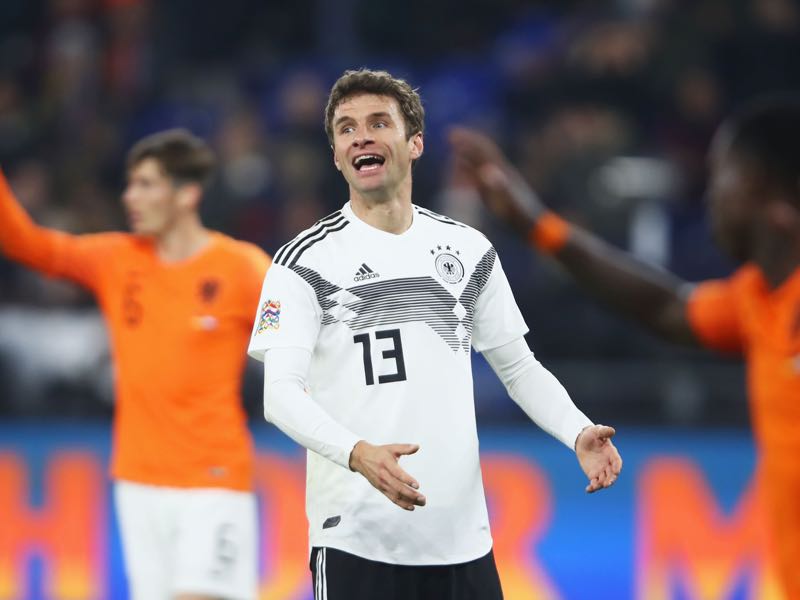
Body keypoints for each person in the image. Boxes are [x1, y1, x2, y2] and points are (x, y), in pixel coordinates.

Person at [246, 68, 622, 600]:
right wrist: (357, 452)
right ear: (336, 155)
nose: (363, 137)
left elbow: (517, 367)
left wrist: (576, 429)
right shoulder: (304, 262)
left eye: (379, 122)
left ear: (414, 142)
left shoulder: (466, 250)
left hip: (463, 543)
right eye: (347, 129)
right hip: (358, 539)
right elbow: (279, 395)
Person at [448, 94, 800, 599]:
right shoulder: (757, 301)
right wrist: (537, 226)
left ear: (776, 199)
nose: (711, 197)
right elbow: (667, 308)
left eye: (726, 177)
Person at [0, 129, 271, 600]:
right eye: (129, 184)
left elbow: (307, 343)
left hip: (214, 479)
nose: (131, 197)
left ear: (187, 194)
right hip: (138, 482)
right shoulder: (116, 260)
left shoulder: (243, 269)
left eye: (146, 185)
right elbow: (26, 242)